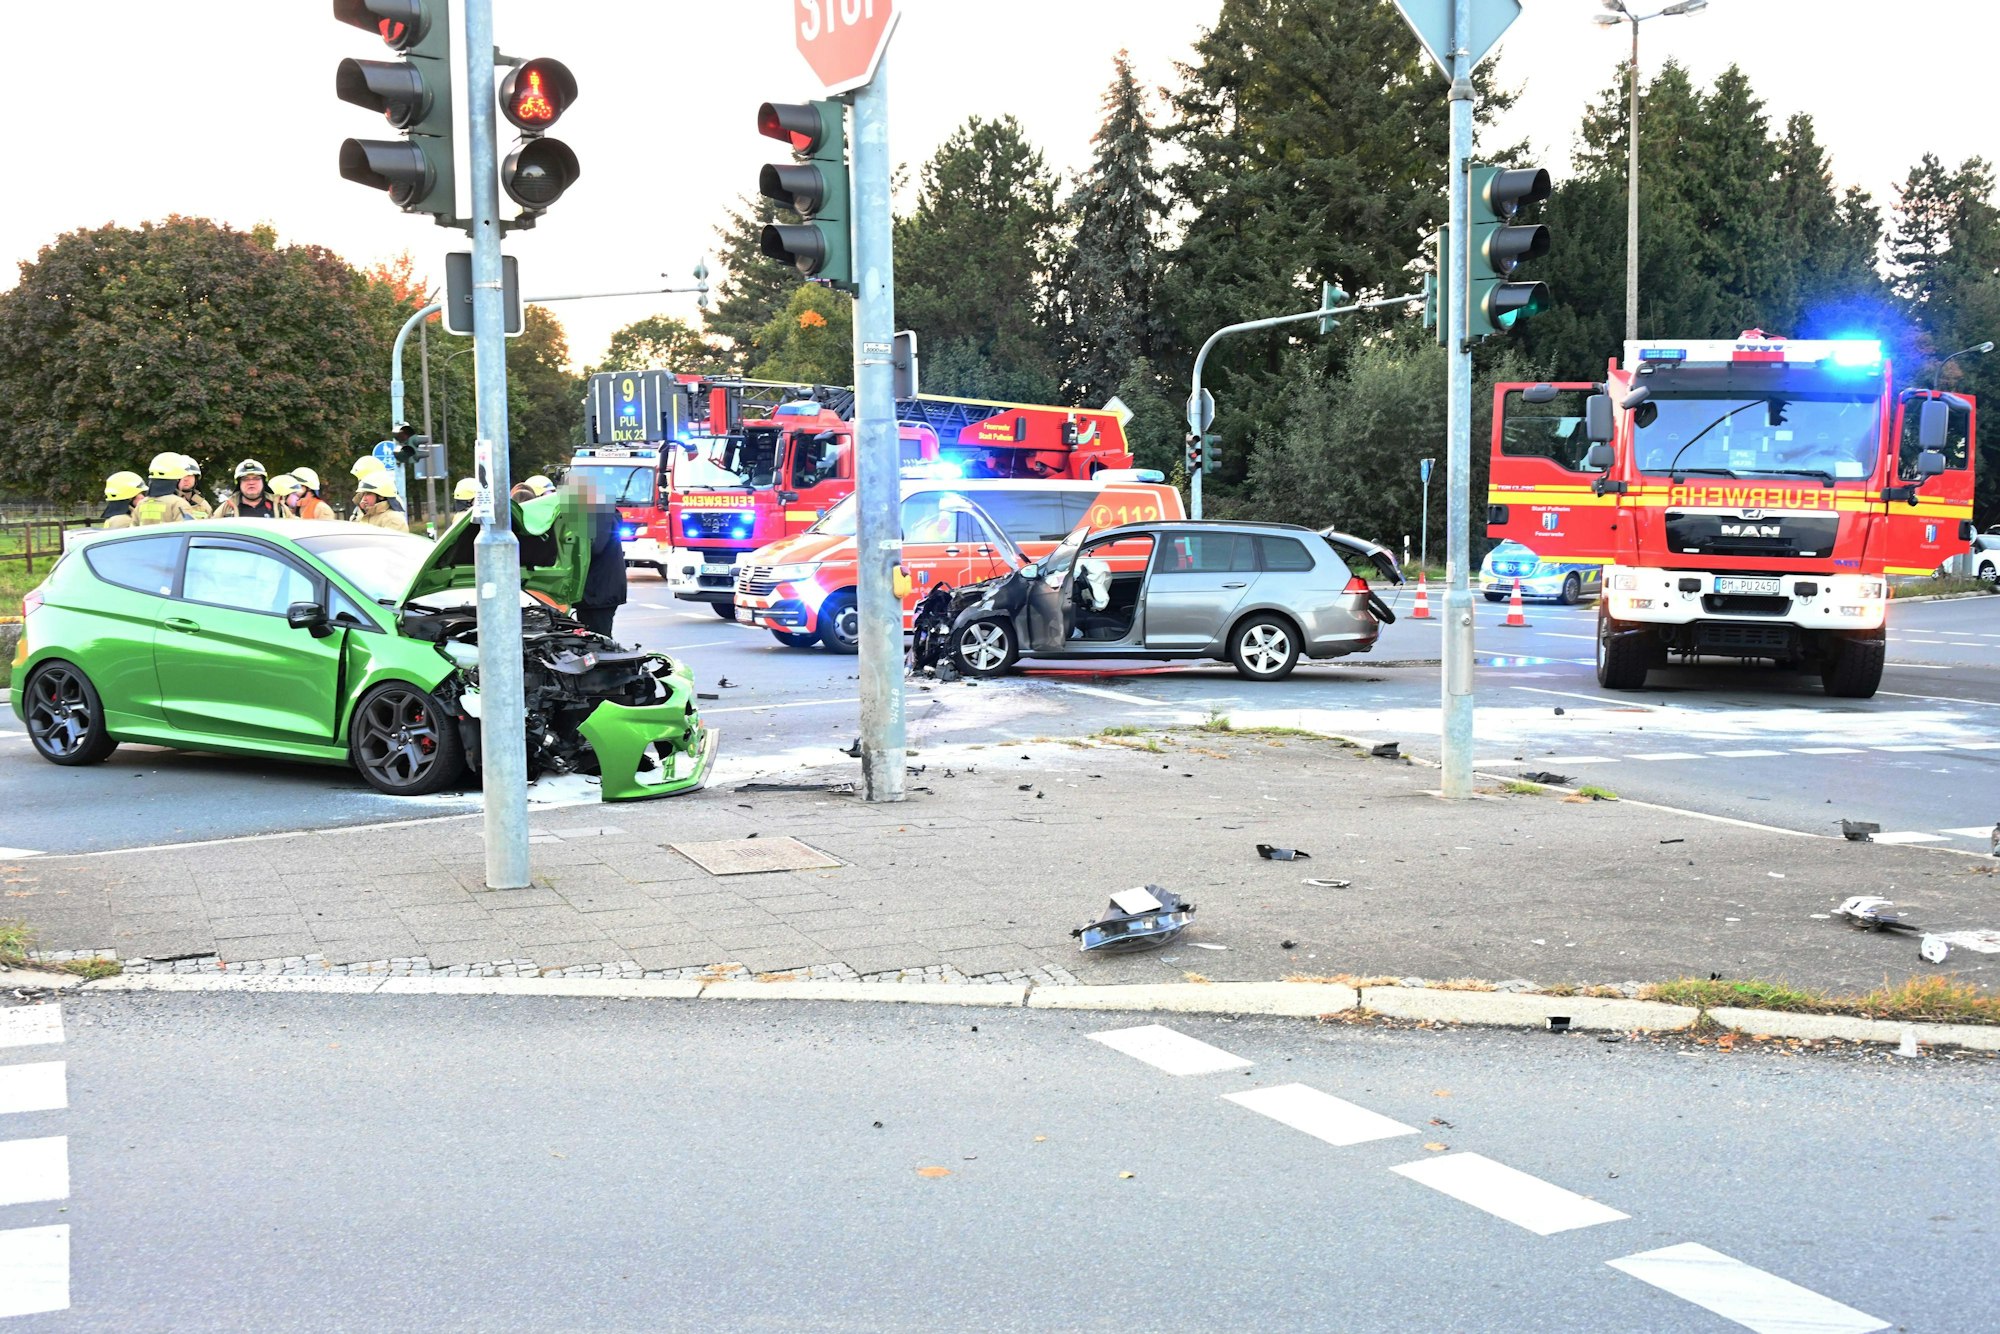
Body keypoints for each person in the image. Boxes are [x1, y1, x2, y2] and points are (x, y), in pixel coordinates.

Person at [577, 487, 627, 638]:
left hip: (599, 591)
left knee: (598, 639)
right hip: (601, 590)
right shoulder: (604, 515)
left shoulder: (600, 517)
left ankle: (606, 662)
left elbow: (594, 548)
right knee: (595, 636)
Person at [133, 453, 200, 526]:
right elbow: (188, 530)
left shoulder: (141, 504)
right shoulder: (178, 504)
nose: (185, 479)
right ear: (177, 479)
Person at [213, 459, 285, 519]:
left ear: (264, 482)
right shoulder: (228, 507)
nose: (251, 482)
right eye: (245, 479)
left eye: (256, 478)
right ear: (239, 484)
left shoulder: (279, 505)